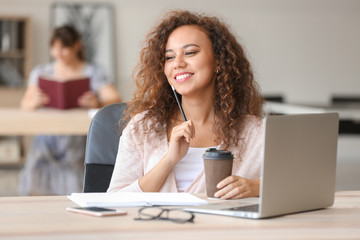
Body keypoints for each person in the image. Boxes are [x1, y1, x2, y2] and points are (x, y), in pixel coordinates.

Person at [107, 10, 264, 200]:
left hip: (223, 230)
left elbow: (302, 187)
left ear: (219, 62)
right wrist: (169, 159)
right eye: (169, 57)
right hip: (154, 229)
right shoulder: (143, 128)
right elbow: (114, 199)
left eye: (190, 52)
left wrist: (257, 187)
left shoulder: (256, 132)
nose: (178, 63)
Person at [19, 25, 121, 195]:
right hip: (46, 135)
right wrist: (34, 101)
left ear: (76, 45)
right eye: (54, 48)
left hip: (75, 138)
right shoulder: (41, 72)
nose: (58, 53)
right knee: (36, 174)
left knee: (75, 181)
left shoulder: (92, 72)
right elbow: (25, 104)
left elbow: (115, 99)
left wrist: (97, 101)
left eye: (64, 48)